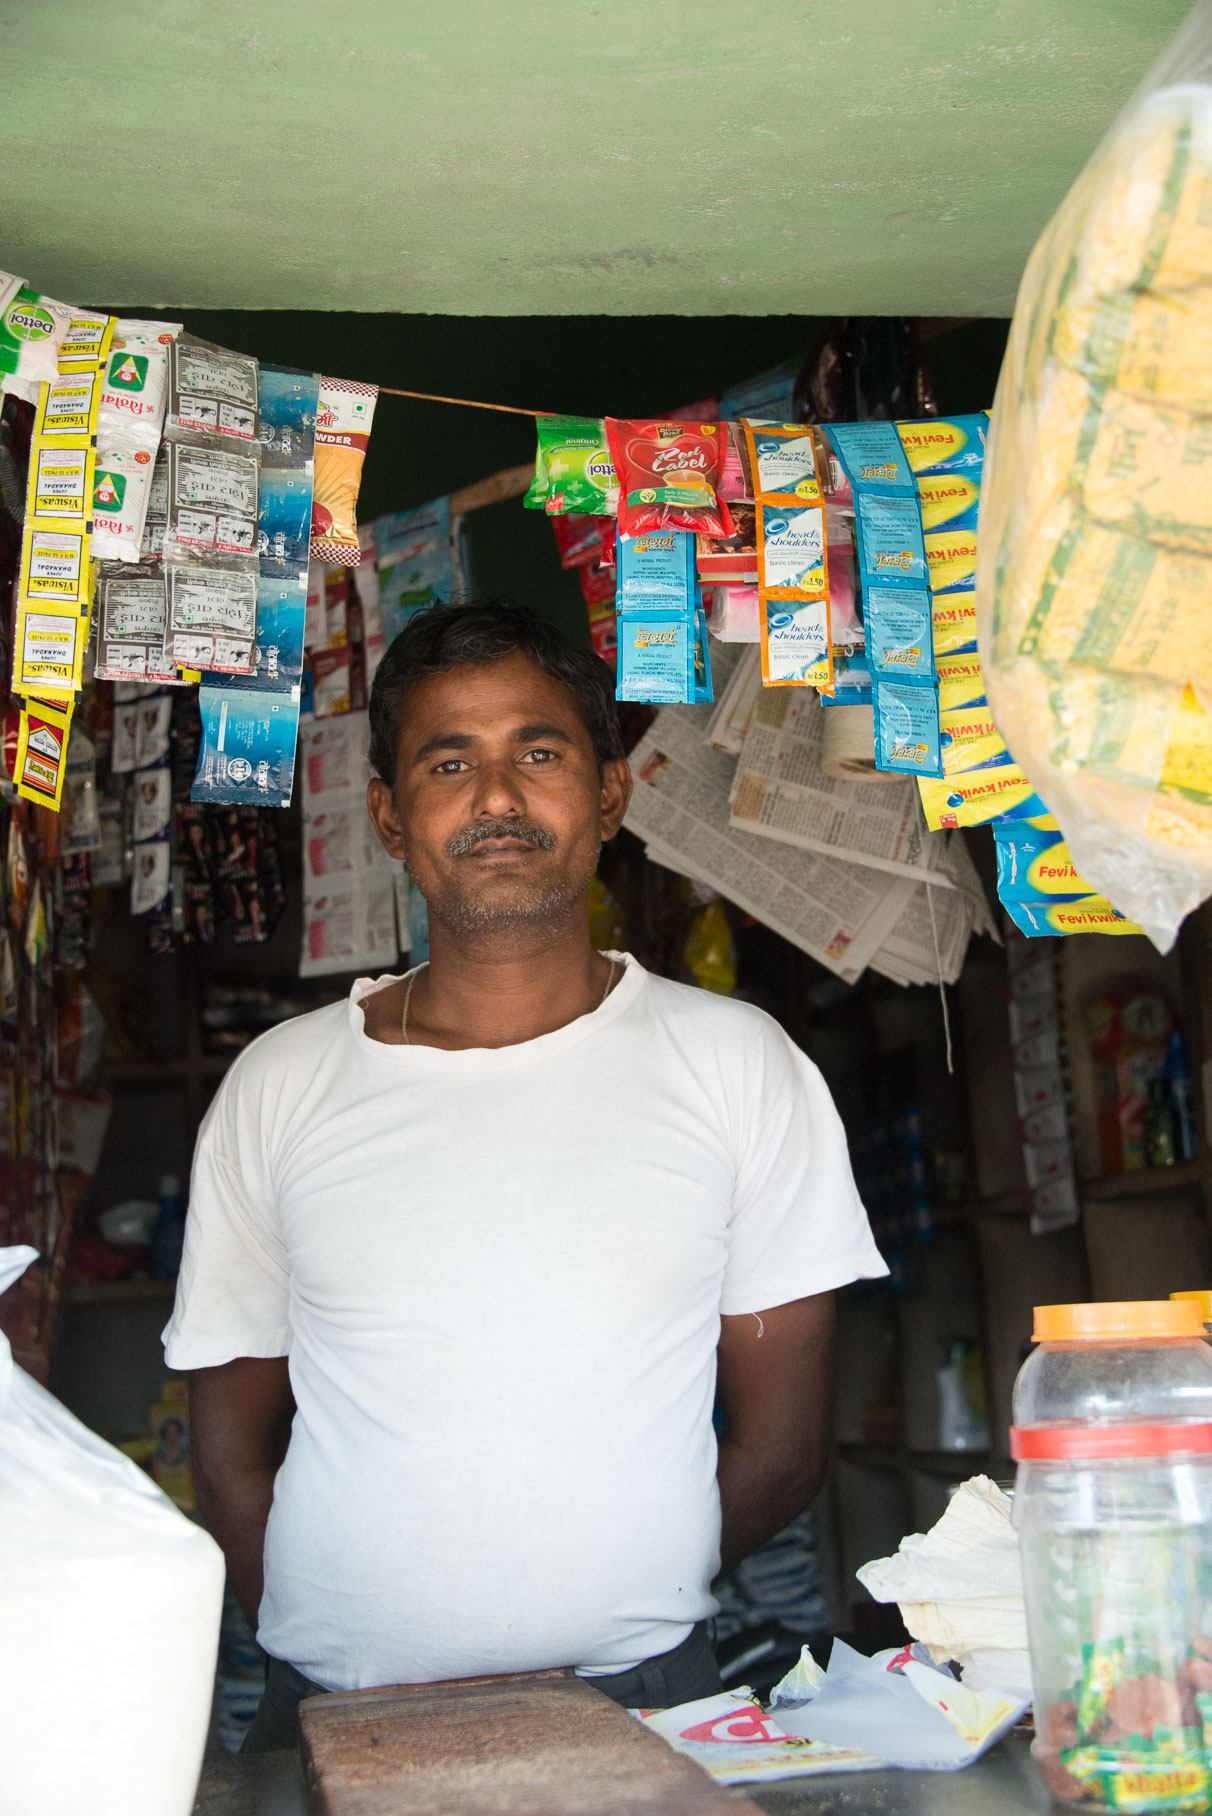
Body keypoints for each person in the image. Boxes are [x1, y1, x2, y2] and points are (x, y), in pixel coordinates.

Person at [164, 601, 886, 1752]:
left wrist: (611, 1596)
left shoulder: (734, 1065)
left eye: (537, 753)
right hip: (338, 1709)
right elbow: (230, 1449)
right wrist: (346, 1641)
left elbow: (783, 1446)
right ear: (393, 817)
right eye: (451, 762)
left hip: (646, 1698)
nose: (497, 798)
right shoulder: (280, 1083)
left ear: (609, 794)